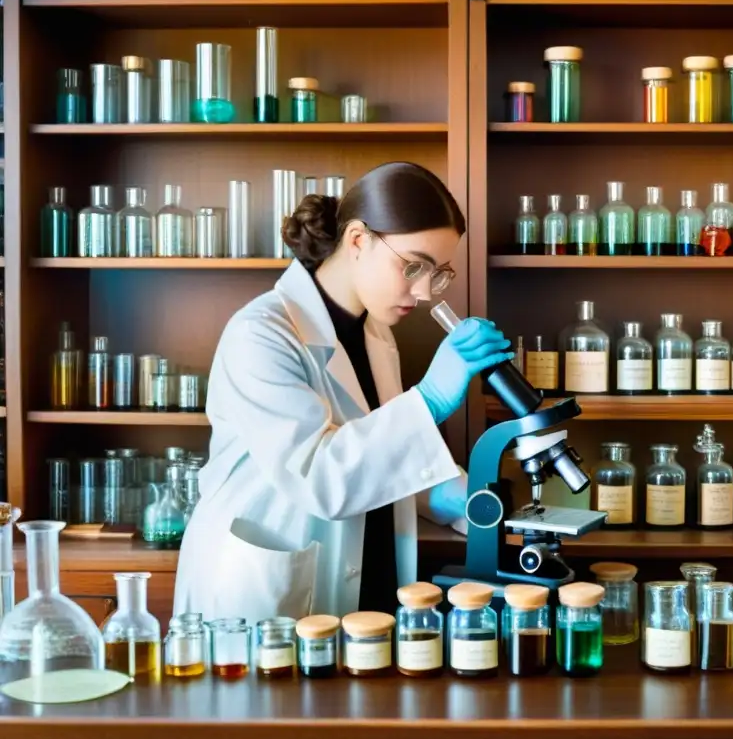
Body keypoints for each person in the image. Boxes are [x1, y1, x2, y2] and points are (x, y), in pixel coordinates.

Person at [173, 162, 513, 627]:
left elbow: (377, 460)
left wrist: (462, 497)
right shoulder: (261, 334)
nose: (425, 291)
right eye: (413, 265)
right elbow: (322, 477)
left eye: (437, 273)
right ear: (357, 240)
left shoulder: (376, 333)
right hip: (263, 600)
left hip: (363, 590)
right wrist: (429, 397)